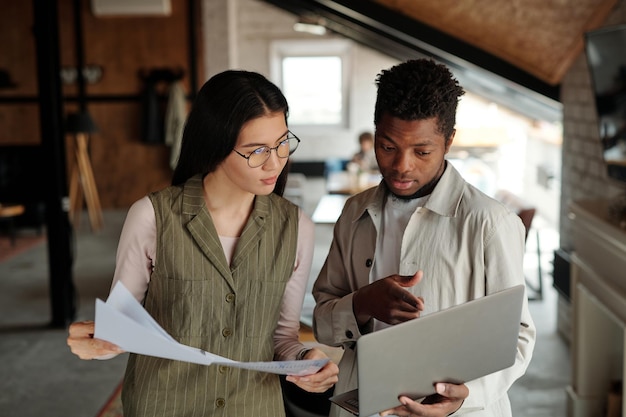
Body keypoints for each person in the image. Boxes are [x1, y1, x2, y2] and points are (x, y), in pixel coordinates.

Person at [67, 69, 338, 417]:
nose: (276, 162)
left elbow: (282, 338)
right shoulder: (151, 216)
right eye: (256, 151)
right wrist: (96, 343)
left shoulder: (296, 226)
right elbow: (122, 328)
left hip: (253, 407)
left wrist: (306, 359)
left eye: (282, 143)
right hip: (163, 405)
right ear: (216, 146)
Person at [312, 59, 536, 417]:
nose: (402, 165)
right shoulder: (354, 213)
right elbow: (322, 323)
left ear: (448, 141)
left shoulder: (489, 222)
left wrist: (462, 395)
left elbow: (519, 337)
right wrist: (363, 304)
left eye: (422, 151)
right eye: (387, 147)